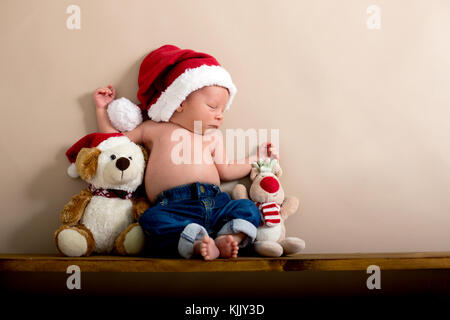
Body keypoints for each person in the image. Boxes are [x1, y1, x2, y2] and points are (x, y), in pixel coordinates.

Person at [94, 45, 278, 260]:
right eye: (212, 107)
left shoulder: (211, 137)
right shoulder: (154, 129)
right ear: (180, 102)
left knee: (247, 207)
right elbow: (115, 145)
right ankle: (196, 244)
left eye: (222, 110)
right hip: (173, 207)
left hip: (216, 202)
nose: (220, 116)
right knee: (150, 220)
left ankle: (230, 238)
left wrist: (259, 159)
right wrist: (101, 111)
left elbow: (227, 170)